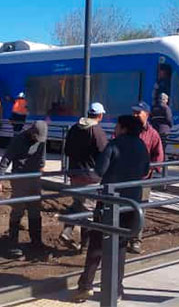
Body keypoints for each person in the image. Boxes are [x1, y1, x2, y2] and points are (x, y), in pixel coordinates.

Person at [73, 115, 150, 303]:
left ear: (123, 128)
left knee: (97, 244)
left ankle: (86, 286)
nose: (114, 128)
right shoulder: (141, 146)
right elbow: (145, 170)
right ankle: (116, 288)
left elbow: (99, 172)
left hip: (109, 202)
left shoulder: (114, 145)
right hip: (132, 202)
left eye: (117, 125)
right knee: (121, 246)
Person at [0, 121, 48, 258]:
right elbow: (6, 160)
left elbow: (42, 158)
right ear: (31, 132)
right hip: (20, 178)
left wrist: (40, 175)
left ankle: (36, 241)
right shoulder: (18, 140)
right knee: (18, 209)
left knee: (35, 210)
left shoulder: (41, 141)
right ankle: (13, 244)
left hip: (34, 178)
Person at [59, 102, 109, 252]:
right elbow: (105, 153)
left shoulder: (74, 128)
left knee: (77, 203)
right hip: (91, 176)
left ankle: (67, 231)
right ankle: (85, 247)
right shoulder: (97, 131)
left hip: (75, 173)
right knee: (88, 210)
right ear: (100, 115)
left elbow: (67, 150)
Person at [128, 101, 164, 254]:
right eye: (134, 112)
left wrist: (152, 168)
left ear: (147, 115)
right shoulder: (126, 129)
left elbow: (159, 154)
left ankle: (136, 240)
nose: (135, 115)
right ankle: (123, 235)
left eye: (138, 112)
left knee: (140, 208)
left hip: (143, 179)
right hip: (126, 177)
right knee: (124, 207)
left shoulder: (153, 134)